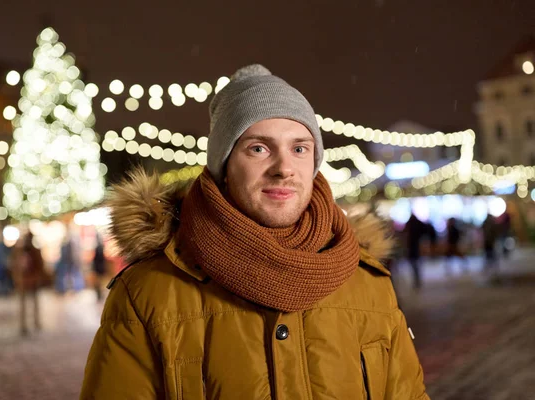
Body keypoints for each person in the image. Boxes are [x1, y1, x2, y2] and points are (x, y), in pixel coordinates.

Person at [81, 65, 429, 399]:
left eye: (299, 148)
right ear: (225, 166)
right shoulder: (146, 294)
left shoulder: (368, 283)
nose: (283, 169)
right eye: (259, 148)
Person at [10, 231, 44, 336]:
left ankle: (32, 323)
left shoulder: (31, 251)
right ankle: (27, 324)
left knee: (30, 304)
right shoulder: (21, 252)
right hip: (26, 281)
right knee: (26, 304)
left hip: (29, 280)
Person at [404, 213, 426, 289]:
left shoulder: (410, 223)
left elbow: (404, 232)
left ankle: (416, 279)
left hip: (411, 246)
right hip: (416, 246)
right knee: (416, 264)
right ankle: (417, 279)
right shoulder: (417, 223)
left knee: (414, 264)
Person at [91, 233, 107, 302]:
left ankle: (99, 295)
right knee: (100, 282)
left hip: (98, 267)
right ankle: (100, 295)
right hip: (101, 267)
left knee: (98, 283)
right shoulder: (102, 247)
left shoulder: (98, 248)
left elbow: (96, 259)